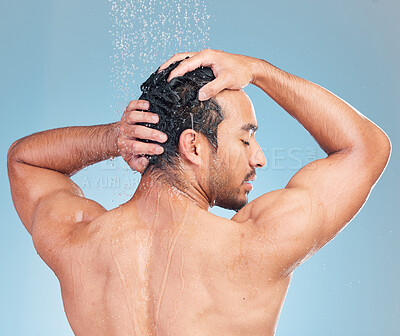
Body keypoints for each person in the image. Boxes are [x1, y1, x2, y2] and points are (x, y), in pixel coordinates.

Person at [7, 49, 391, 336]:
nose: (258, 158)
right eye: (246, 138)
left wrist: (116, 137)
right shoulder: (255, 244)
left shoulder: (79, 241)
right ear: (193, 147)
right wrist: (259, 71)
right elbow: (366, 148)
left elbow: (24, 161)